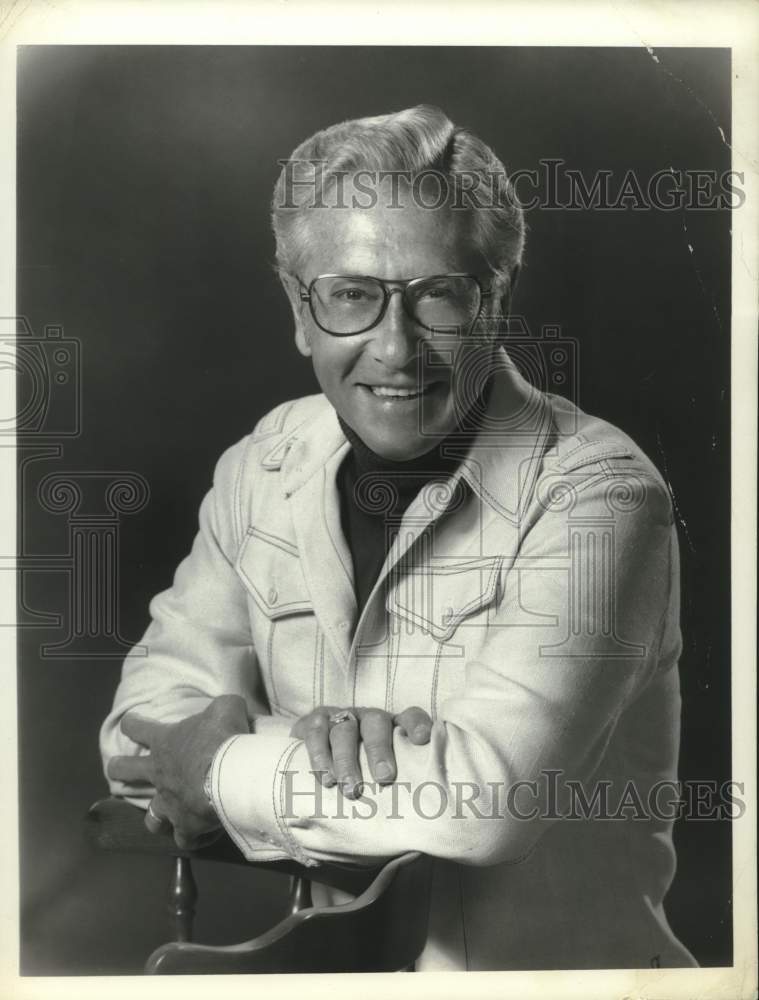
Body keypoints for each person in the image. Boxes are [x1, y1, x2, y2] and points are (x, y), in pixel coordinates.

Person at [100, 105, 697, 970]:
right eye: (350, 295)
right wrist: (331, 759)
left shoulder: (601, 497)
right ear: (299, 311)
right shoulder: (264, 462)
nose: (393, 347)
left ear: (498, 299)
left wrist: (224, 763)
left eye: (437, 296)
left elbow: (489, 800)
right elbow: (134, 739)